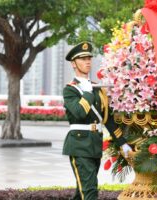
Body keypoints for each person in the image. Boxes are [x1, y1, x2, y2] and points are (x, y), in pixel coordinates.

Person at [62, 41, 132, 200]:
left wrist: (122, 143)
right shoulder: (71, 90)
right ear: (74, 64)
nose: (87, 62)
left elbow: (107, 119)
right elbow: (79, 113)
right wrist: (87, 93)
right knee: (90, 191)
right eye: (82, 59)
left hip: (94, 145)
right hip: (79, 145)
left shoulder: (97, 88)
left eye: (89, 58)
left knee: (82, 192)